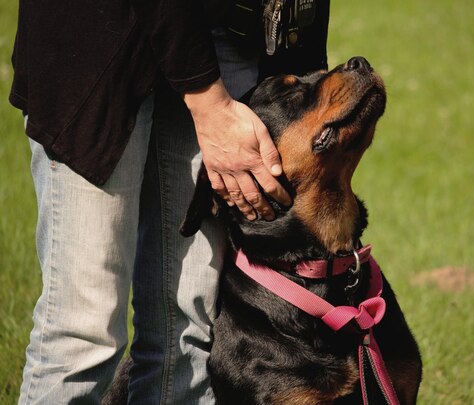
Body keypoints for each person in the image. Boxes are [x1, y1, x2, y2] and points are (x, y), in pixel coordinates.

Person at [9, 0, 329, 403]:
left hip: (229, 35)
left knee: (188, 335)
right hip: (100, 39)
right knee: (83, 336)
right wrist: (210, 105)